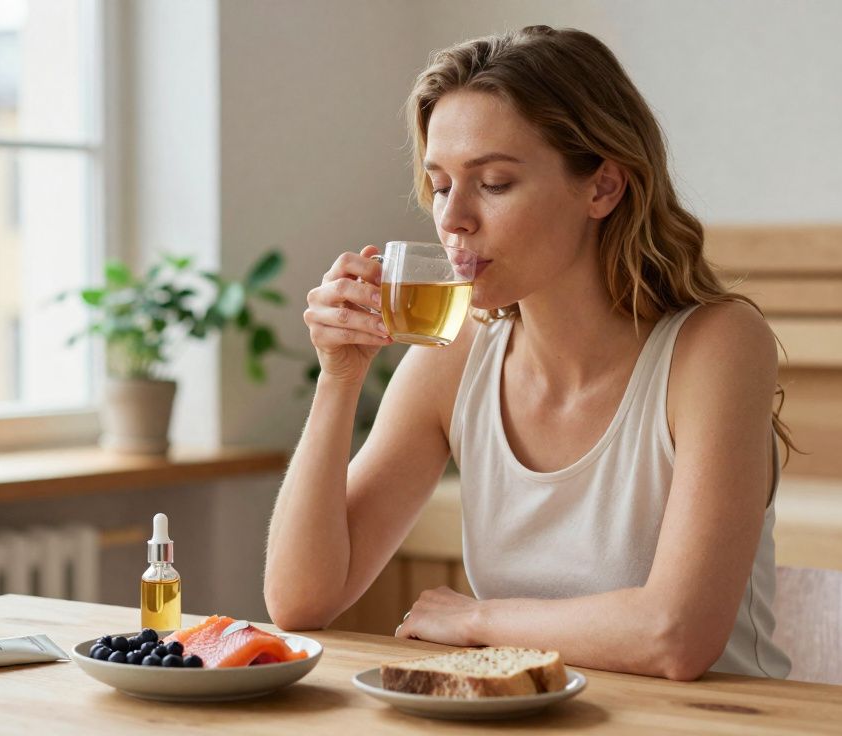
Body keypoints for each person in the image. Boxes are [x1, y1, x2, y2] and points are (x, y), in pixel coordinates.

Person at [264, 25, 797, 681]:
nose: (452, 219)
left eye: (493, 183)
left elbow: (676, 636)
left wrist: (477, 621)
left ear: (602, 188)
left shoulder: (716, 346)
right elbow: (300, 601)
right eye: (440, 185)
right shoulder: (455, 357)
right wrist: (338, 378)